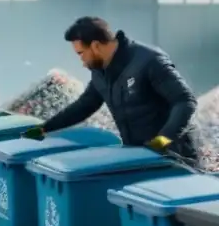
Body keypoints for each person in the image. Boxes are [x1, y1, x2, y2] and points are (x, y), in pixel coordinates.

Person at [23, 17, 199, 163]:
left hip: (174, 158)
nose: (81, 62)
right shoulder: (101, 73)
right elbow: (85, 105)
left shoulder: (149, 61)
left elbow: (185, 101)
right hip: (140, 157)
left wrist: (162, 141)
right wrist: (45, 128)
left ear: (95, 46)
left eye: (80, 53)